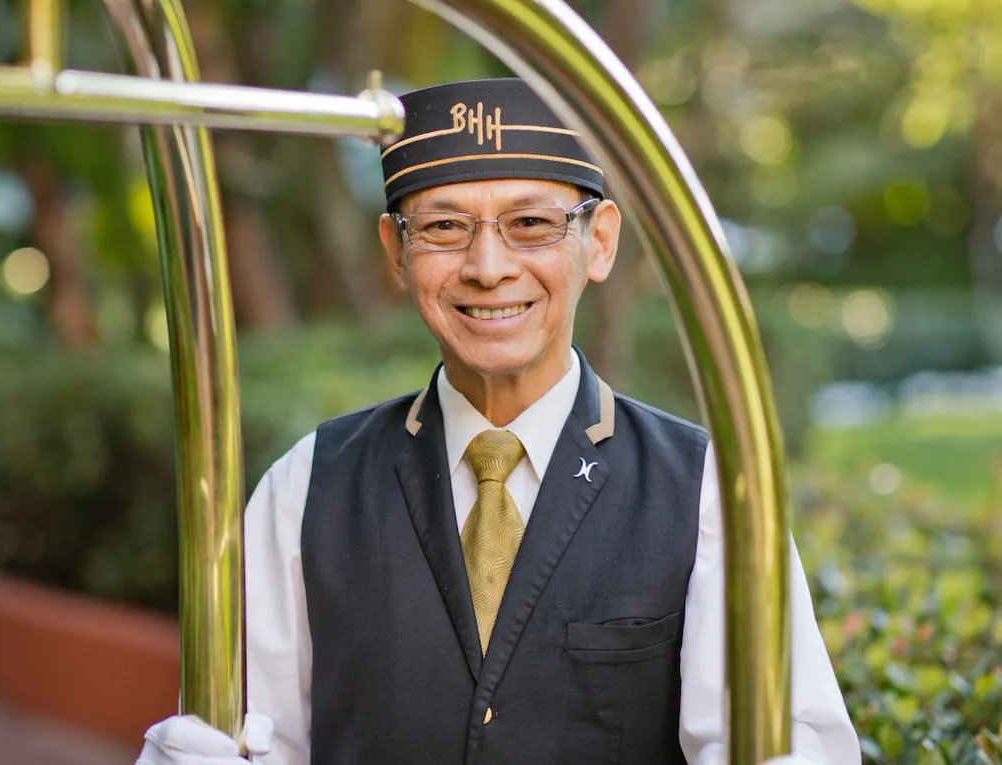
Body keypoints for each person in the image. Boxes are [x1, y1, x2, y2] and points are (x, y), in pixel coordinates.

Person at [136, 78, 860, 765]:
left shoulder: (704, 493)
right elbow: (252, 736)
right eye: (445, 225)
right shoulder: (307, 486)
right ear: (396, 250)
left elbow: (785, 742)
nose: (488, 265)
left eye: (532, 224)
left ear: (599, 241)